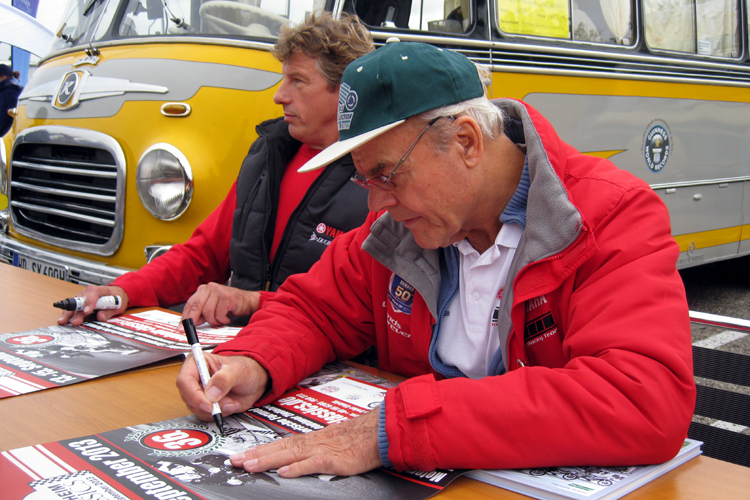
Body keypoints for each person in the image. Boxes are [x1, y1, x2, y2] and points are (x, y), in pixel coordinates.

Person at [176, 41, 696, 476]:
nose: (374, 203)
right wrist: (254, 361)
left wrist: (395, 428)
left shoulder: (608, 215)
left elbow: (641, 400)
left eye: (386, 174)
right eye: (363, 179)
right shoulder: (395, 230)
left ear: (467, 141)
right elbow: (314, 310)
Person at [58, 12, 374, 328]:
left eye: (298, 81)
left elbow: (357, 311)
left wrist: (250, 301)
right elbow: (205, 254)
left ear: (346, 91)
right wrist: (124, 290)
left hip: (315, 358)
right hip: (238, 348)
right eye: (284, 79)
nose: (280, 96)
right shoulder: (268, 156)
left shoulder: (379, 185)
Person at [0, 65, 22, 137]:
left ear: (4, 77)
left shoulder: (10, 91)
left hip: (5, 135)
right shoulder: (5, 90)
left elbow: (4, 115)